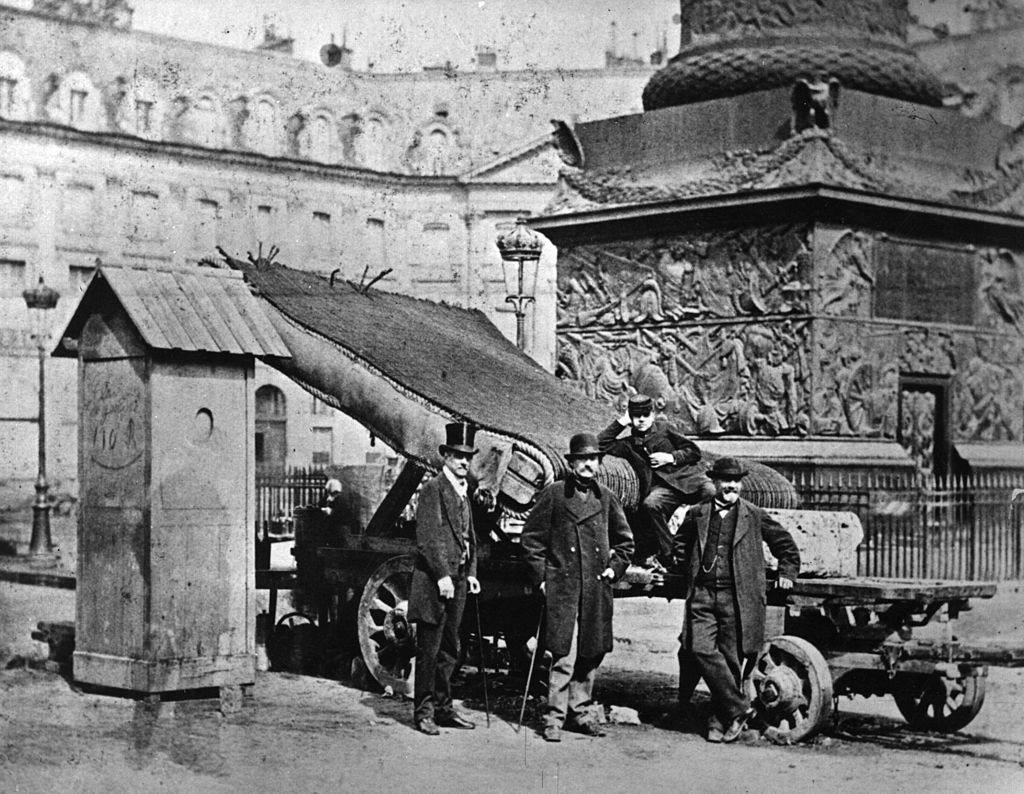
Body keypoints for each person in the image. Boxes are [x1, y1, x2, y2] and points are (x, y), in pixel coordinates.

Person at [671, 457, 800, 743]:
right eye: (725, 481)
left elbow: (785, 544)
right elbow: (679, 544)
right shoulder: (698, 513)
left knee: (730, 658)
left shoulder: (753, 515)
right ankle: (742, 709)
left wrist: (787, 571)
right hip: (702, 594)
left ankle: (719, 722)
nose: (731, 486)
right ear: (714, 483)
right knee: (698, 648)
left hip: (737, 597)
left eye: (736, 481)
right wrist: (685, 567)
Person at [521, 432, 634, 743]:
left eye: (593, 460)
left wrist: (614, 569)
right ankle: (554, 719)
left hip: (596, 590)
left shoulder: (607, 498)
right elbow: (531, 539)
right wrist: (543, 578)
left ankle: (580, 714)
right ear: (572, 463)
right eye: (582, 459)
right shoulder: (555, 494)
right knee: (562, 655)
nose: (588, 465)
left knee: (590, 653)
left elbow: (626, 543)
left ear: (598, 464)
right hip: (564, 590)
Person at [407, 421, 482, 736]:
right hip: (436, 582)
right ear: (445, 456)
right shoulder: (434, 489)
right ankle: (423, 713)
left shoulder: (464, 491)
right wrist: (441, 576)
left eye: (468, 456)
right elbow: (427, 538)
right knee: (429, 649)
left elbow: (469, 538)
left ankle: (443, 708)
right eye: (457, 455)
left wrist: (472, 573)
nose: (464, 461)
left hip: (460, 579)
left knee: (451, 648)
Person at [598, 393, 715, 570]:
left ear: (652, 415)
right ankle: (671, 555)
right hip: (662, 488)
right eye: (637, 416)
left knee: (711, 491)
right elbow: (600, 444)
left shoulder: (664, 429)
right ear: (631, 417)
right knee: (650, 505)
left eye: (646, 415)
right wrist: (621, 422)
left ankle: (696, 543)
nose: (642, 420)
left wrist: (670, 457)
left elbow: (693, 451)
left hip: (687, 479)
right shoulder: (628, 444)